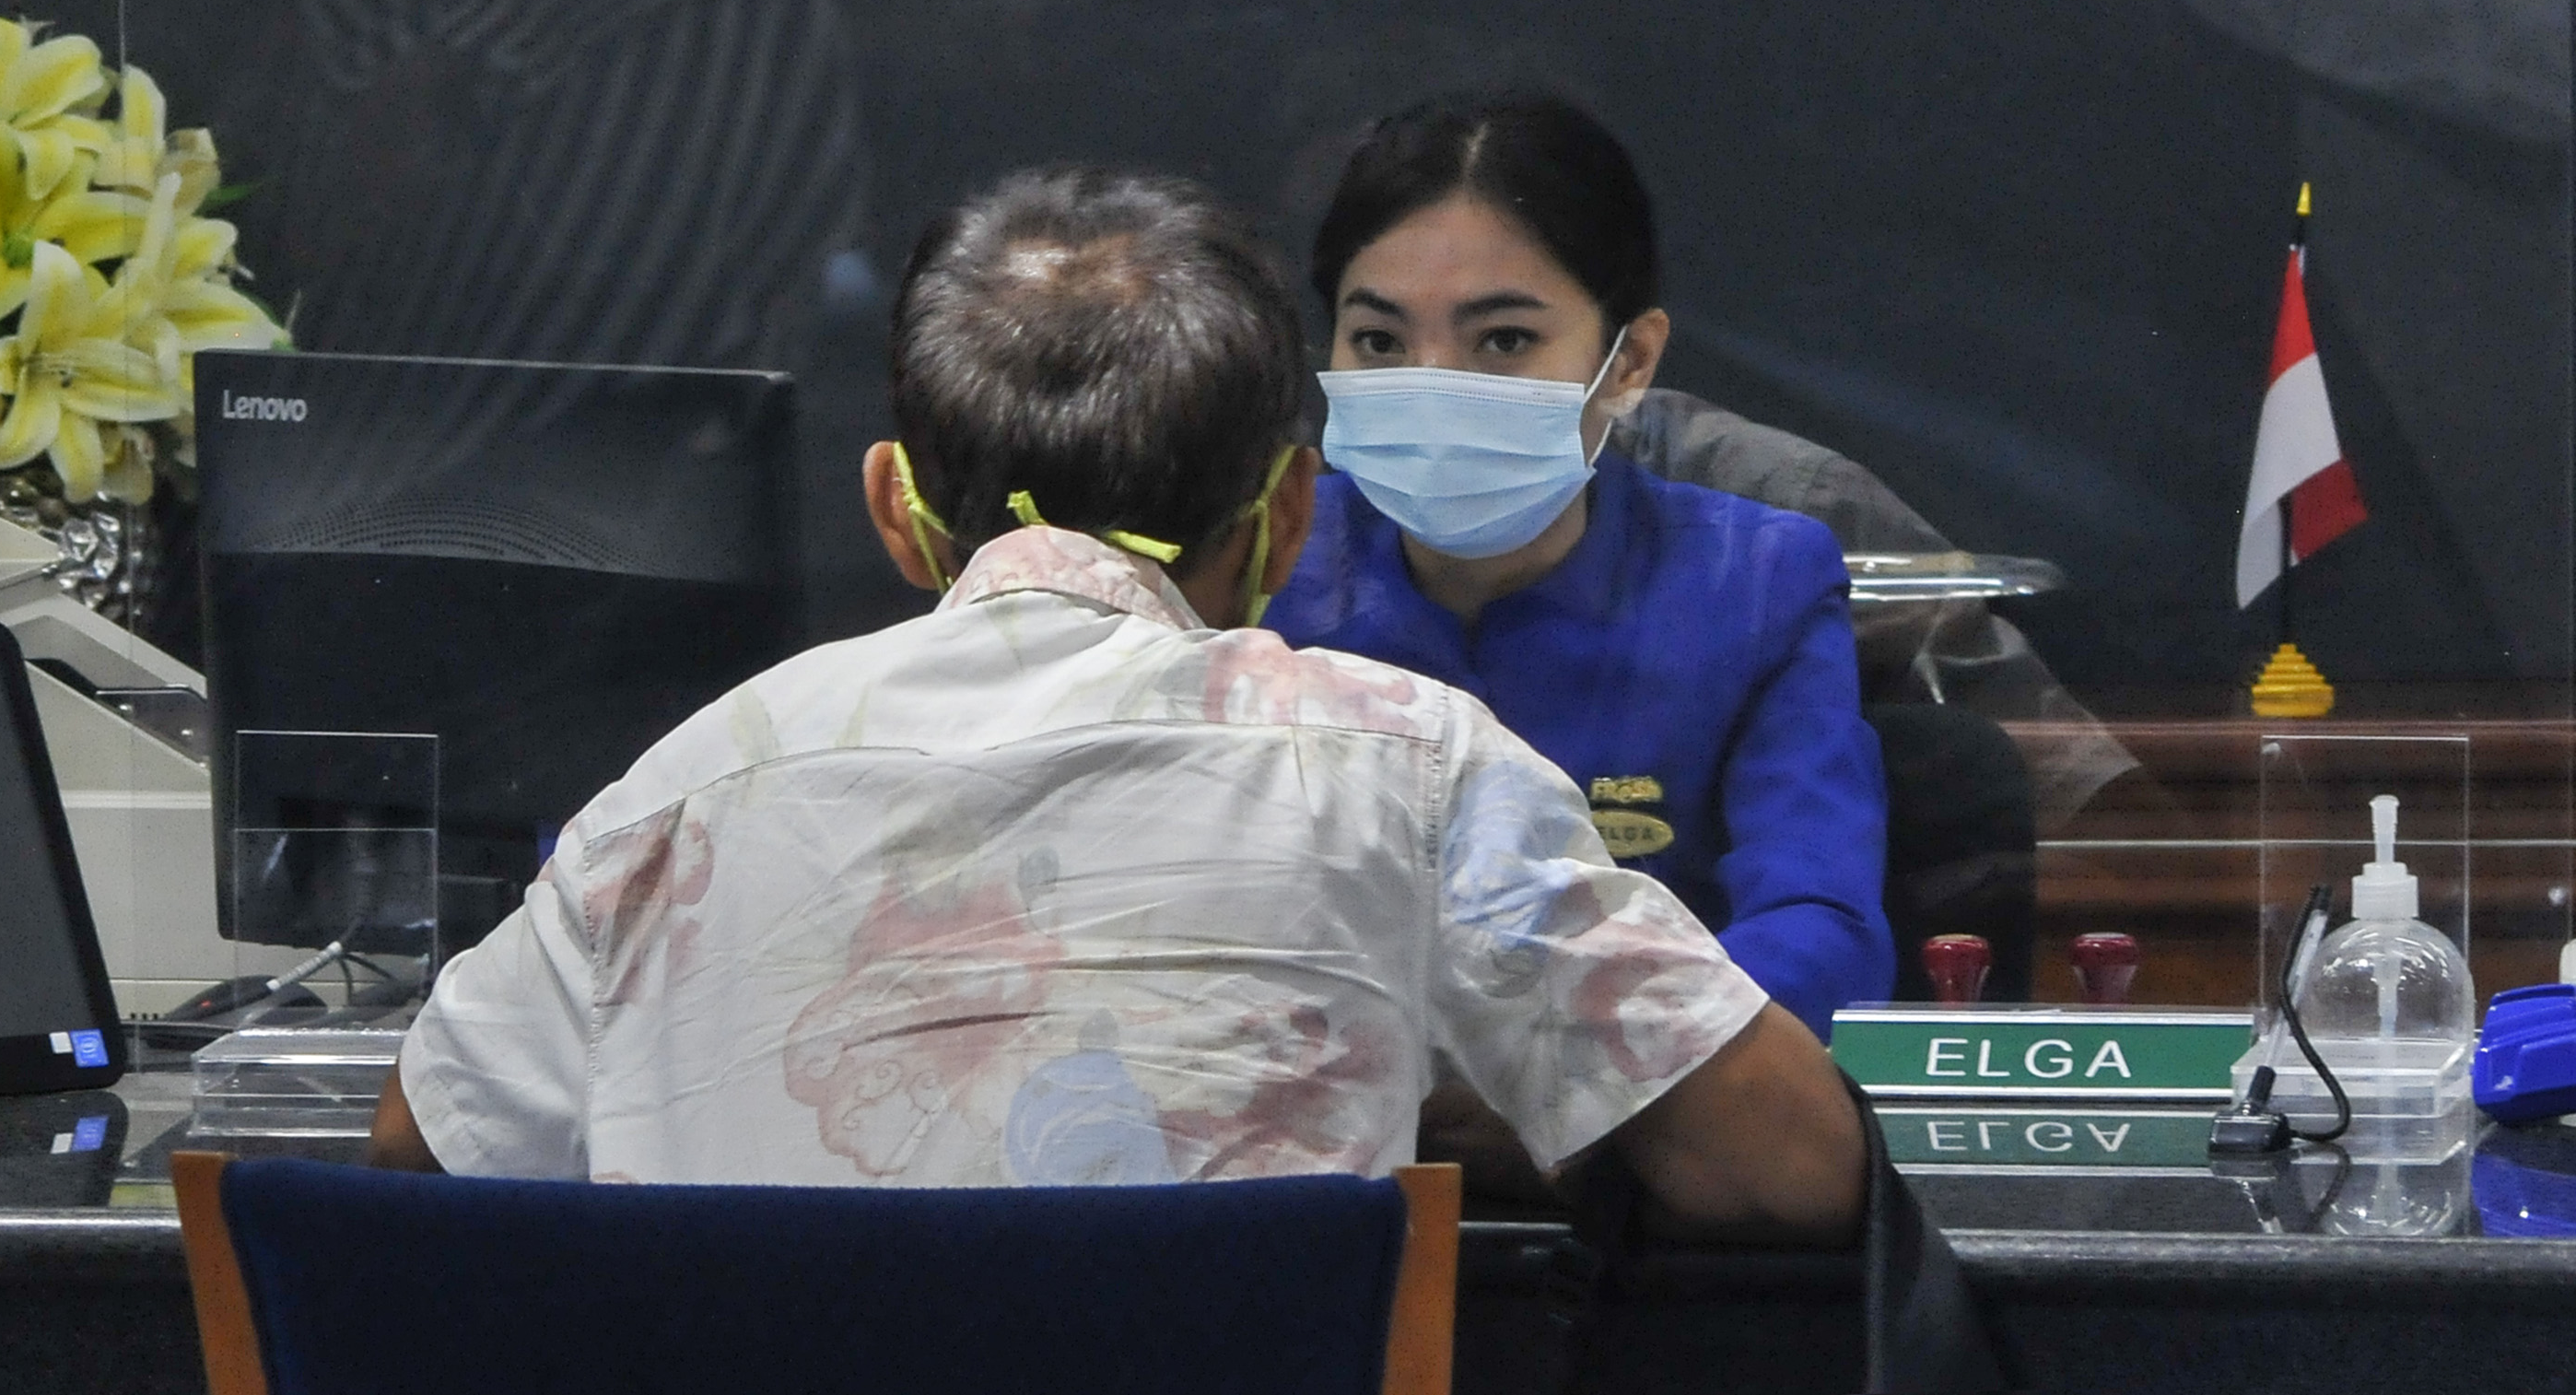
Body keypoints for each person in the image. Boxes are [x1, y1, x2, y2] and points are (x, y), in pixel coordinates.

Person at [371, 163, 1863, 1237]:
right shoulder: (1409, 767)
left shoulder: (677, 792)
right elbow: (1792, 1164)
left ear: (896, 511)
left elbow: (416, 1157)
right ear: (1287, 518)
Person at [1266, 94, 1891, 1032]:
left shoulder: (1756, 580)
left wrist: (1586, 1066)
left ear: (1630, 360)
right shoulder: (1256, 569)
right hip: (1322, 1118)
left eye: (1504, 339)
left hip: (1638, 1135)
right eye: (1382, 340)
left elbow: (1820, 925)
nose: (1434, 381)